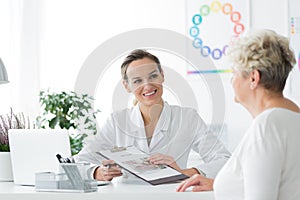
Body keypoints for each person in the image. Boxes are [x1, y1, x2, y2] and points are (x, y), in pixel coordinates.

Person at [176, 29, 300, 199]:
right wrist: (220, 184)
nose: (232, 81)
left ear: (253, 78)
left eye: (234, 73)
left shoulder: (267, 125)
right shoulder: (292, 117)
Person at [74, 49, 230, 181]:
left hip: (172, 195)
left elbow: (224, 160)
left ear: (162, 75)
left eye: (153, 76)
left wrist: (185, 173)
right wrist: (98, 172)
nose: (147, 85)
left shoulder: (187, 117)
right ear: (126, 85)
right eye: (137, 81)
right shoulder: (118, 121)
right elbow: (79, 161)